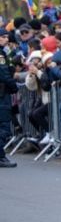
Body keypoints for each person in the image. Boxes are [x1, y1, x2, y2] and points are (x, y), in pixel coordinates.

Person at [0, 28, 18, 167]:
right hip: (2, 95)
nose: (7, 39)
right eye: (4, 37)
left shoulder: (5, 54)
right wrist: (14, 87)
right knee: (4, 127)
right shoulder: (1, 55)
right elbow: (4, 75)